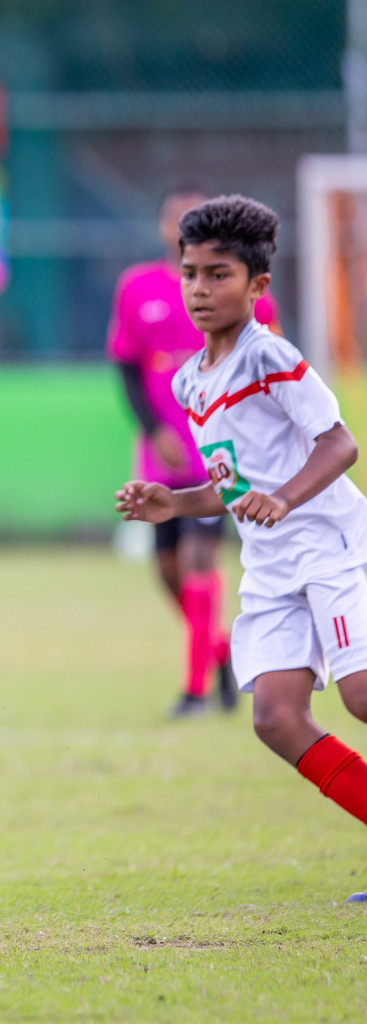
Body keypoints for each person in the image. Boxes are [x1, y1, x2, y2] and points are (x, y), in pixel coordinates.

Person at [117, 195, 367, 903]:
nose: (199, 289)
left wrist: (285, 499)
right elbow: (233, 487)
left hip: (329, 547)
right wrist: (172, 500)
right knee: (274, 718)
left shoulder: (270, 356)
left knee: (359, 696)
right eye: (190, 274)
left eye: (218, 275)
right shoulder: (189, 379)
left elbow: (338, 442)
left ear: (257, 286)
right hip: (270, 564)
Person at [108, 187, 280, 718]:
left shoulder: (243, 293)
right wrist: (154, 428)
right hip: (165, 456)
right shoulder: (138, 287)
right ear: (163, 227)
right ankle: (222, 651)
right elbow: (126, 366)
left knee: (198, 558)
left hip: (220, 456)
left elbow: (271, 372)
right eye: (173, 217)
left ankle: (194, 691)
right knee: (166, 569)